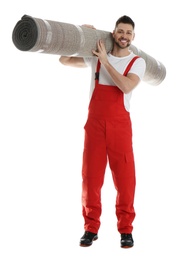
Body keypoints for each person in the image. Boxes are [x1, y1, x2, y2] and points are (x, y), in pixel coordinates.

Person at [59, 15, 146, 248]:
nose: (124, 36)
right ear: (113, 32)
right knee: (90, 179)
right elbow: (64, 59)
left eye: (128, 33)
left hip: (120, 129)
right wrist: (79, 32)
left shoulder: (137, 62)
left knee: (125, 181)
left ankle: (126, 230)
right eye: (120, 31)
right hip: (95, 127)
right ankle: (90, 228)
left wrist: (106, 62)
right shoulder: (95, 58)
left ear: (133, 36)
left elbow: (127, 85)